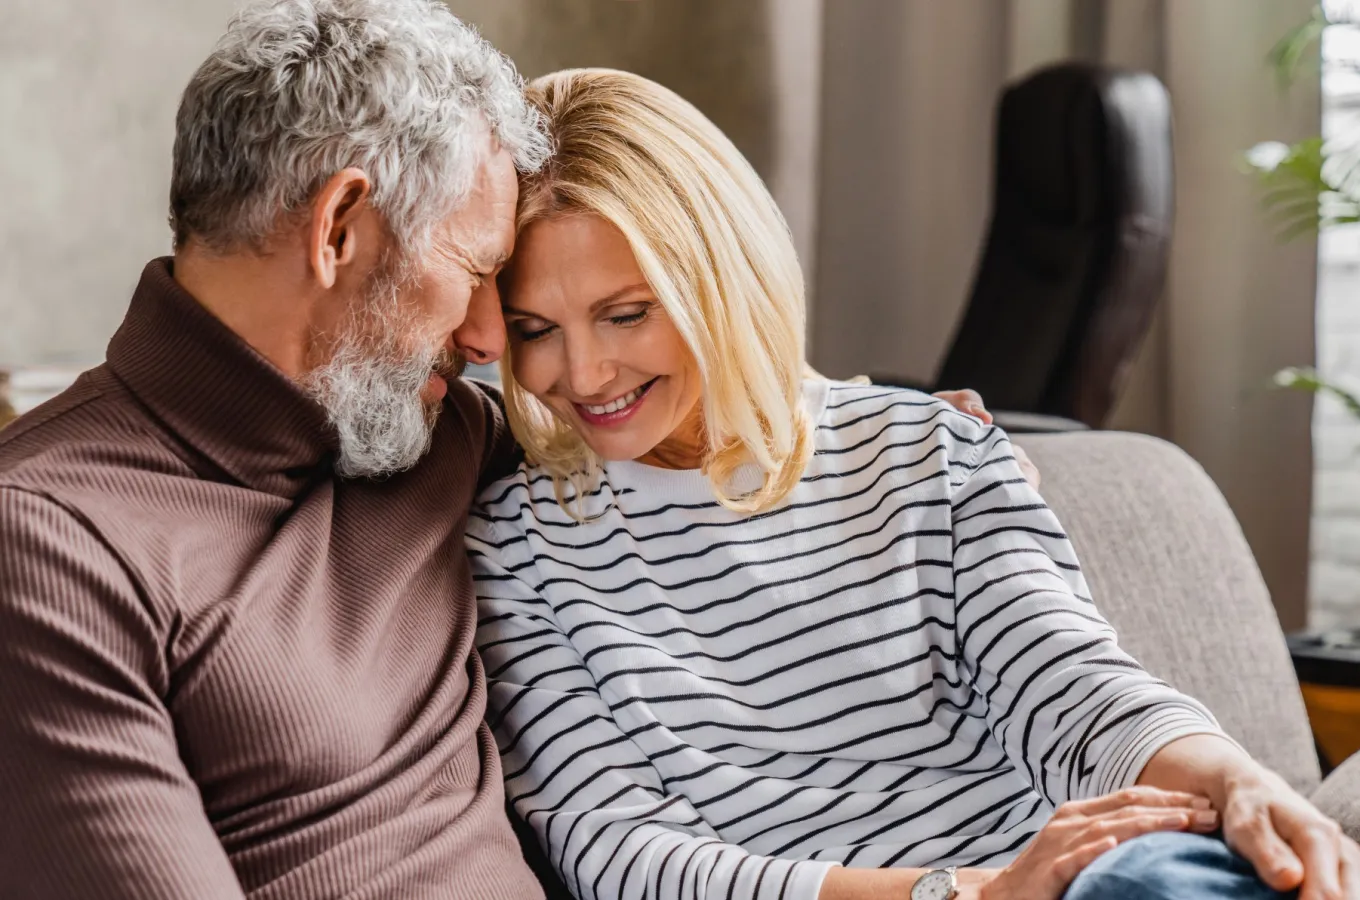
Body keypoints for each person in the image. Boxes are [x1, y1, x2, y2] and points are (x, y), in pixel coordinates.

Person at [0, 3, 997, 897]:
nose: (489, 340)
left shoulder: (440, 430)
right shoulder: (47, 546)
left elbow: (672, 410)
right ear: (340, 228)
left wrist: (892, 426)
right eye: (476, 270)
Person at [471, 69, 1360, 900]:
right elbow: (617, 850)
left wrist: (1234, 777)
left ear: (723, 275)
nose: (583, 373)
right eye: (534, 328)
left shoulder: (932, 453)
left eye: (625, 314)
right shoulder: (515, 548)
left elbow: (1070, 684)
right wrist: (965, 895)